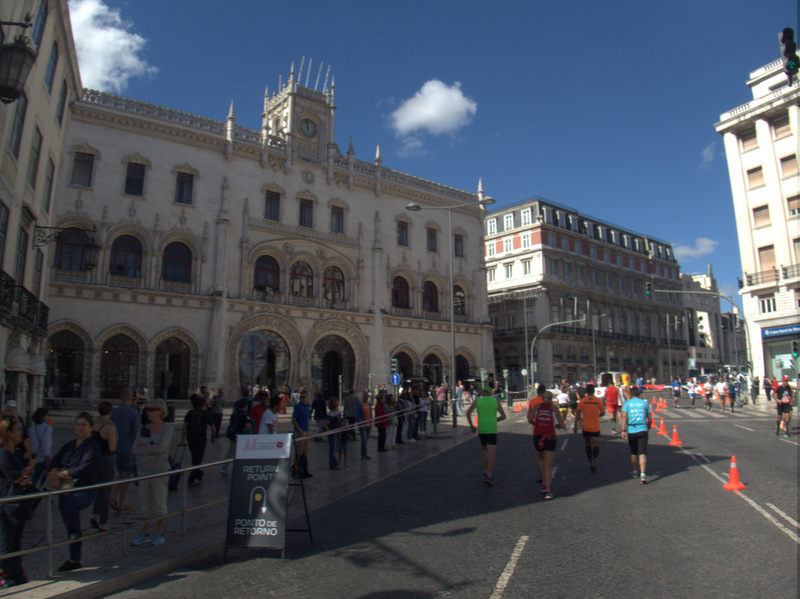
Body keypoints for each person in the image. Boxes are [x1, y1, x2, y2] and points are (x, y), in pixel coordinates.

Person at [48, 412, 101, 572]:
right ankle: (74, 557)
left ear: (91, 427)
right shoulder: (71, 445)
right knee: (67, 511)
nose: (80, 427)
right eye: (78, 424)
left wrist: (61, 474)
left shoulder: (92, 446)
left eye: (83, 424)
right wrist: (54, 470)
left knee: (69, 506)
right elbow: (56, 459)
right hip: (66, 487)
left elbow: (84, 468)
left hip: (85, 488)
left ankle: (75, 549)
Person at [0, 416, 36, 588]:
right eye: (17, 430)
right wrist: (29, 469)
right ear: (8, 433)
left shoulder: (17, 452)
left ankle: (16, 574)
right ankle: (3, 577)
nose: (20, 432)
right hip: (5, 504)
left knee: (15, 542)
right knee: (5, 543)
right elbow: (18, 477)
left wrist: (25, 474)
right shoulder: (3, 453)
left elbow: (24, 478)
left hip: (17, 504)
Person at [131, 399, 172, 547]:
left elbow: (161, 448)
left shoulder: (167, 428)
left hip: (159, 470)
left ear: (160, 411)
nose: (148, 412)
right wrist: (151, 447)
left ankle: (159, 533)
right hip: (143, 469)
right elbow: (134, 448)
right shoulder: (144, 428)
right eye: (147, 410)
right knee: (145, 502)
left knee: (159, 502)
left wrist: (145, 448)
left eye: (151, 409)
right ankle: (145, 532)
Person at [528, 391, 565, 499]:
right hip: (550, 436)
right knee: (549, 464)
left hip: (538, 436)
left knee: (541, 459)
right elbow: (562, 425)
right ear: (551, 398)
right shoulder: (554, 408)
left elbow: (530, 419)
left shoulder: (536, 406)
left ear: (542, 398)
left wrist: (537, 424)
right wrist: (556, 425)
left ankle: (543, 483)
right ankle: (548, 490)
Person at [466, 387, 507, 486]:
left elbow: (468, 412)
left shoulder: (478, 401)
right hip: (492, 429)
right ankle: (489, 474)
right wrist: (495, 420)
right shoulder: (495, 402)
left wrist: (472, 425)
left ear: (483, 393)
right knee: (491, 453)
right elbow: (504, 416)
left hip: (482, 429)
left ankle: (485, 471)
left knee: (484, 449)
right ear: (490, 393)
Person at [90, 402, 118, 532]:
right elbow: (112, 447)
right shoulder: (109, 426)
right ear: (110, 412)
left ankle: (94, 515)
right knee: (106, 491)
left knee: (98, 489)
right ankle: (103, 522)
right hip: (106, 459)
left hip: (94, 459)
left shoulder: (93, 424)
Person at [110, 388, 138, 514]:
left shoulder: (114, 412)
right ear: (131, 398)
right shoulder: (133, 413)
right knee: (126, 475)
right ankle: (121, 503)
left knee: (120, 472)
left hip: (117, 446)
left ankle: (113, 495)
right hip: (129, 447)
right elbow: (136, 433)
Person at [180, 393, 216, 487]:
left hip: (190, 438)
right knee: (197, 459)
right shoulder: (206, 414)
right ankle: (191, 479)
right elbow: (213, 428)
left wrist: (182, 440)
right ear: (203, 404)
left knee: (195, 457)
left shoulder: (190, 413)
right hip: (201, 439)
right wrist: (213, 437)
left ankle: (199, 473)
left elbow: (184, 427)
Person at [620, 386, 653, 485]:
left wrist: (623, 430)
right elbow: (650, 418)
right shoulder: (644, 403)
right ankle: (643, 474)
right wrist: (649, 426)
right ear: (639, 394)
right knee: (642, 452)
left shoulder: (627, 403)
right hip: (642, 428)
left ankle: (635, 471)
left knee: (634, 452)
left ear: (630, 394)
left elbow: (624, 417)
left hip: (631, 430)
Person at [574, 383, 605, 473]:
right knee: (596, 444)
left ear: (586, 391)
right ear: (594, 391)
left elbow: (578, 414)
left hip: (586, 426)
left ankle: (590, 461)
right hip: (595, 426)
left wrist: (575, 425)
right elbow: (602, 412)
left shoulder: (583, 401)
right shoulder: (598, 401)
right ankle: (595, 457)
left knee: (588, 444)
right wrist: (597, 415)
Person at [222, 399, 252, 476]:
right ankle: (241, 468)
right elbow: (248, 426)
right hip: (239, 436)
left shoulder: (235, 413)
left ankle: (224, 468)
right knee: (241, 453)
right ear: (245, 406)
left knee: (230, 452)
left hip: (232, 434)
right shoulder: (244, 415)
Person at [27, 407, 52, 490]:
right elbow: (45, 445)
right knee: (43, 482)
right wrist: (47, 459)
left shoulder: (31, 429)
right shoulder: (47, 429)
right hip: (42, 458)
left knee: (33, 480)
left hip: (32, 458)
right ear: (43, 417)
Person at [291, 391, 312, 478]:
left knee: (304, 452)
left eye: (304, 397)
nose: (302, 399)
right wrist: (299, 430)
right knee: (298, 452)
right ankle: (296, 469)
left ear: (307, 397)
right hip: (299, 432)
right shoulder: (298, 407)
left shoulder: (308, 406)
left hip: (306, 430)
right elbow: (293, 420)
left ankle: (303, 469)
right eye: (301, 397)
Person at [323, 397, 343, 470]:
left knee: (336, 447)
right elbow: (324, 424)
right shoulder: (331, 414)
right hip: (333, 433)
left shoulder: (337, 412)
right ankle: (333, 464)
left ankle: (336, 463)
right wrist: (330, 431)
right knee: (333, 448)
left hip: (338, 432)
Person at [356, 392, 373, 460]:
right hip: (363, 425)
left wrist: (371, 422)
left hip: (369, 425)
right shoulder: (360, 405)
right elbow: (357, 415)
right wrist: (361, 424)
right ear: (363, 396)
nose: (366, 397)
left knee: (366, 440)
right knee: (364, 440)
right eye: (365, 396)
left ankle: (365, 454)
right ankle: (363, 455)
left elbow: (370, 414)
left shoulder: (369, 404)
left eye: (367, 396)